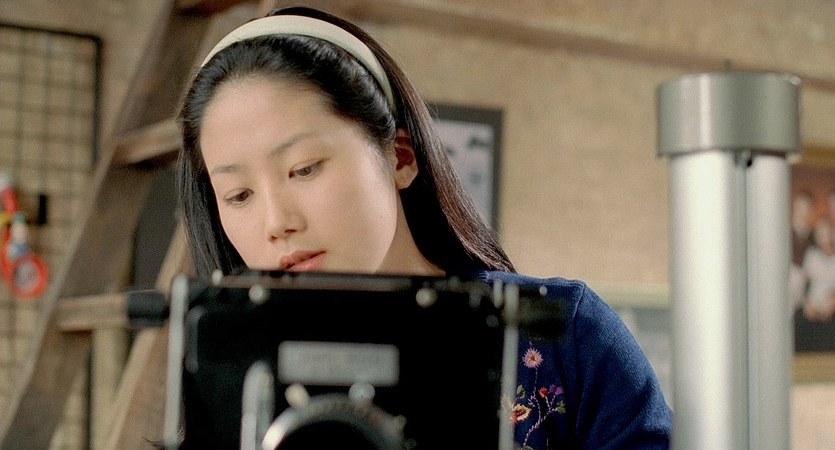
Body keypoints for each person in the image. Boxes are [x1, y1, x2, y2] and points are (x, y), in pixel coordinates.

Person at [176, 5, 672, 449]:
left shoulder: (561, 334)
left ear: (400, 157)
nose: (276, 223)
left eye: (304, 169)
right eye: (238, 195)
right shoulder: (224, 367)